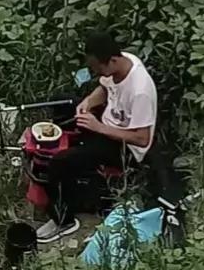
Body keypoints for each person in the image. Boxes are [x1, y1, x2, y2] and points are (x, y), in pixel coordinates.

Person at [37, 32, 158, 243]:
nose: (96, 72)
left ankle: (63, 220)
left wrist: (99, 127)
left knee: (60, 163)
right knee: (61, 102)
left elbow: (142, 139)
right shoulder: (120, 63)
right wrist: (88, 103)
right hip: (105, 123)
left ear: (112, 60)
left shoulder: (140, 90)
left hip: (124, 147)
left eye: (98, 68)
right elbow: (104, 87)